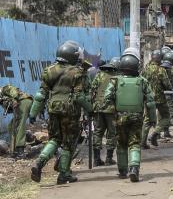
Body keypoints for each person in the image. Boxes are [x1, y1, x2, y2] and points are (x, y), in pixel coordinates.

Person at [30, 41, 92, 184]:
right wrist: (91, 109)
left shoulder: (49, 70)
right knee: (68, 144)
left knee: (55, 139)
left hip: (53, 109)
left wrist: (33, 113)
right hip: (70, 111)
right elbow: (79, 96)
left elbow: (41, 94)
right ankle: (64, 174)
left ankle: (39, 163)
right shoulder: (78, 72)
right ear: (72, 56)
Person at [104, 50, 155, 181]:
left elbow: (107, 97)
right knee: (134, 143)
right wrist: (153, 118)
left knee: (121, 143)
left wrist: (112, 112)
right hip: (137, 117)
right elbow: (150, 102)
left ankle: (122, 171)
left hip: (119, 117)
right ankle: (134, 168)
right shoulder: (142, 81)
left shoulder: (115, 81)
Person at [90, 57, 120, 166]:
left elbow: (92, 90)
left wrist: (91, 106)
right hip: (111, 109)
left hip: (97, 108)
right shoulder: (117, 77)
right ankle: (108, 158)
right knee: (112, 133)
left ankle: (96, 159)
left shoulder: (99, 75)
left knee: (97, 132)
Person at [141, 49, 172, 148]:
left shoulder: (145, 69)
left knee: (147, 120)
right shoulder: (161, 70)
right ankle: (156, 132)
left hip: (148, 99)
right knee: (166, 117)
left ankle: (142, 143)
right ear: (160, 59)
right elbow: (167, 85)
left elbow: (141, 83)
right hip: (160, 99)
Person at [0, 85, 33, 159]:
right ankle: (14, 149)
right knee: (11, 126)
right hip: (21, 104)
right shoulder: (3, 97)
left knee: (19, 125)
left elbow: (14, 92)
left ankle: (20, 151)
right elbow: (9, 109)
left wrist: (14, 99)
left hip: (23, 102)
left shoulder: (5, 88)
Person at [162, 51, 173, 128]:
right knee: (171, 106)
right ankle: (171, 120)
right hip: (169, 91)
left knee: (162, 111)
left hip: (160, 93)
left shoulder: (160, 68)